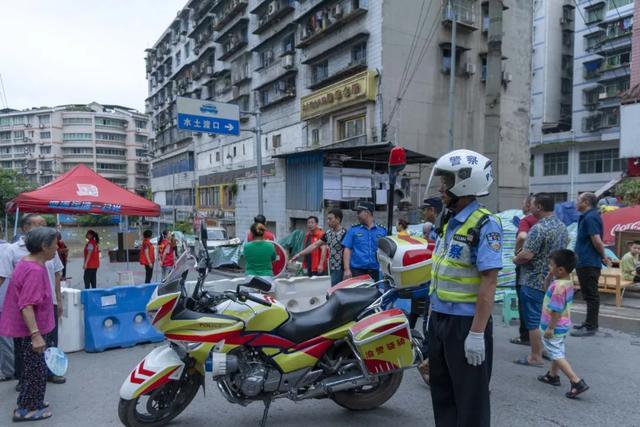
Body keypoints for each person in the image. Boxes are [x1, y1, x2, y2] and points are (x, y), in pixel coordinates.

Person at [426, 149, 502, 427]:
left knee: (471, 400)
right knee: (442, 392)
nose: (441, 188)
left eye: (446, 182)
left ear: (464, 183)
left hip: (465, 324)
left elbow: (489, 281)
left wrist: (477, 333)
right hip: (441, 320)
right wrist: (432, 320)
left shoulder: (485, 223)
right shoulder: (448, 222)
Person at [0, 227, 59, 421]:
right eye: (54, 244)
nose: (56, 248)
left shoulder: (29, 263)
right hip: (30, 330)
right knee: (35, 370)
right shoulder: (33, 270)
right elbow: (26, 305)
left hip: (31, 329)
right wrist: (35, 334)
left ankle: (32, 402)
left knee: (33, 369)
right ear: (44, 246)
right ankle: (26, 410)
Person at [513, 193, 569, 367]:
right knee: (546, 318)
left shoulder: (539, 228)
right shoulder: (562, 227)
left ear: (539, 207)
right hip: (552, 280)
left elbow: (527, 254)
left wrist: (515, 258)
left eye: (532, 205)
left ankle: (535, 356)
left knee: (533, 320)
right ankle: (546, 350)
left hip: (533, 280)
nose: (529, 207)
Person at [537, 249, 590, 399]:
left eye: (551, 265)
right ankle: (552, 375)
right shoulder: (565, 282)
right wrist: (548, 279)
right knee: (557, 350)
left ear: (560, 269)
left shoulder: (559, 288)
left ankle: (576, 381)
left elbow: (556, 310)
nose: (549, 267)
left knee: (555, 353)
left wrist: (550, 328)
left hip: (555, 325)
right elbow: (548, 291)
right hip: (563, 324)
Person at [572, 192, 608, 337]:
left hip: (589, 261)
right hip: (584, 261)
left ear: (586, 202)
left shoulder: (591, 217)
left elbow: (597, 240)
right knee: (587, 294)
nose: (576, 203)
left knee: (591, 295)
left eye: (578, 200)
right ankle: (588, 322)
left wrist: (604, 256)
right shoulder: (587, 217)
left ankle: (592, 326)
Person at [291, 209, 346, 285]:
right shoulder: (328, 233)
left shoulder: (345, 233)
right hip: (330, 267)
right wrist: (299, 254)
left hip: (341, 269)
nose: (328, 221)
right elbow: (315, 245)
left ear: (338, 219)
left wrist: (347, 270)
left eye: (330, 219)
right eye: (327, 219)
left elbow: (348, 252)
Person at [511, 194, 538, 346]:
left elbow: (522, 237)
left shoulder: (526, 220)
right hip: (542, 269)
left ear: (529, 206)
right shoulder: (548, 222)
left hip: (525, 266)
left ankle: (525, 336)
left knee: (523, 301)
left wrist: (517, 252)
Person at [342, 202, 387, 281]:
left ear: (367, 213)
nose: (357, 215)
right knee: (358, 292)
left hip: (376, 271)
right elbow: (347, 249)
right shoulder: (353, 230)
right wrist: (347, 269)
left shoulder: (382, 231)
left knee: (376, 292)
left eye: (359, 212)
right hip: (357, 271)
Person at [0, 224, 13, 382]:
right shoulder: (12, 248)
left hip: (4, 300)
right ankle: (9, 368)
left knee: (5, 337)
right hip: (10, 300)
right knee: (7, 336)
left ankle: (8, 370)